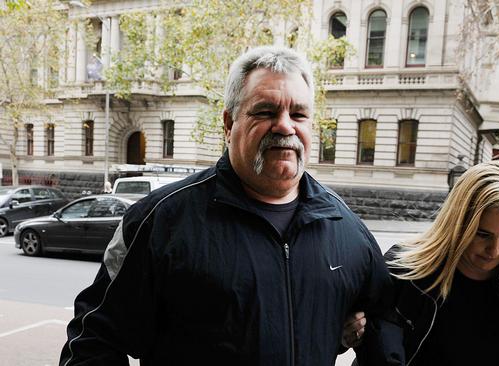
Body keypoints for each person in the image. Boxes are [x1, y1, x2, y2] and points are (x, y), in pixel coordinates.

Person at [59, 46, 391, 366]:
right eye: (266, 111)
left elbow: (387, 330)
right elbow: (93, 341)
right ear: (229, 123)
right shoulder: (158, 220)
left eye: (299, 114)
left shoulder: (347, 230)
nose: (286, 126)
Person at [350, 160, 499, 366]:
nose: (494, 250)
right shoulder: (405, 272)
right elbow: (376, 353)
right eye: (482, 234)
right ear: (458, 224)